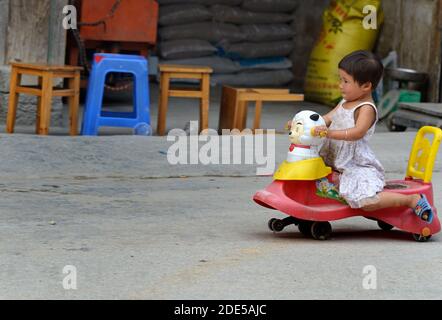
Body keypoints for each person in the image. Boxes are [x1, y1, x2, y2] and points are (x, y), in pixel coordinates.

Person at [297, 50, 433, 222]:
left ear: (366, 86)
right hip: (336, 161)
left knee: (365, 201)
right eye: (340, 79)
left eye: (345, 81)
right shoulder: (344, 102)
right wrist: (302, 123)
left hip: (355, 165)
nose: (340, 85)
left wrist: (330, 133)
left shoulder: (366, 108)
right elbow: (326, 119)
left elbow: (357, 133)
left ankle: (411, 200)